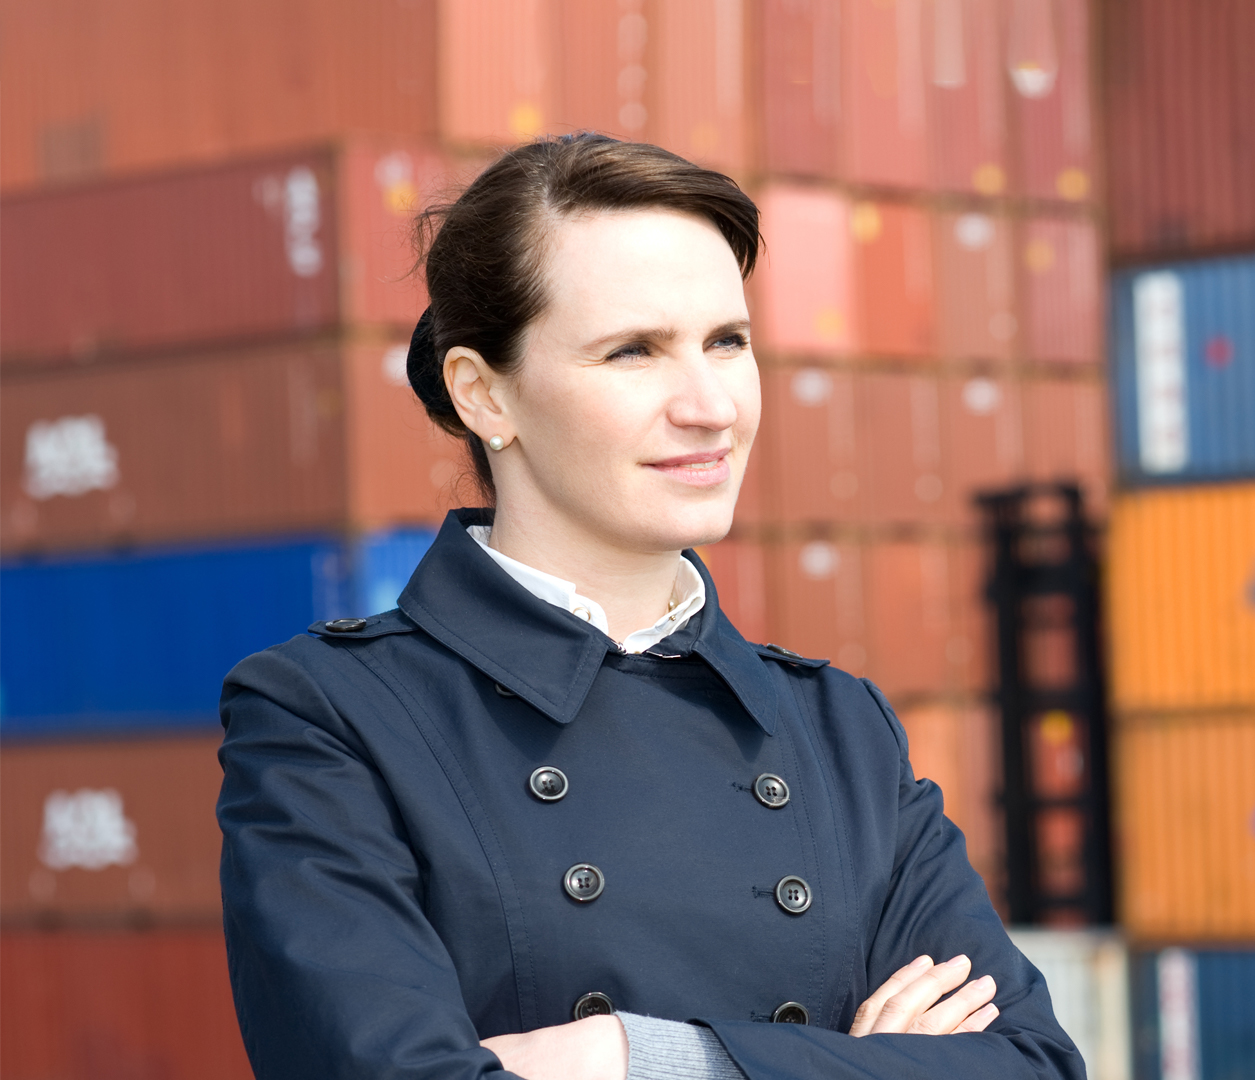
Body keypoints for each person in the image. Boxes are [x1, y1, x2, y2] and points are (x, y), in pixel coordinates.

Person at [216, 135, 1084, 1080]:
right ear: (482, 394)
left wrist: (638, 1054)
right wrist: (848, 1065)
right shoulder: (330, 718)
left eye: (728, 342)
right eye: (634, 351)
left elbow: (1033, 1065)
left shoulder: (841, 731)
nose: (711, 406)